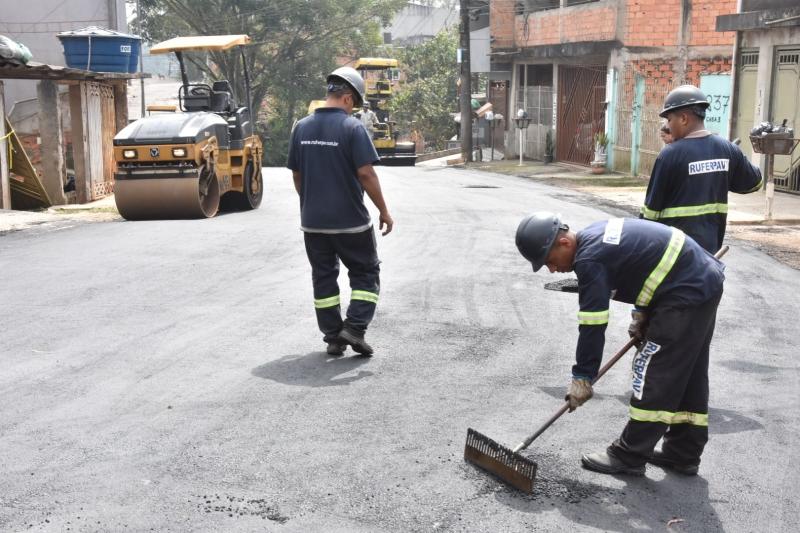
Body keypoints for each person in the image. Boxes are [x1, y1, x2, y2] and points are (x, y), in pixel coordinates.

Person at [516, 212, 725, 476]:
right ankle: (683, 451)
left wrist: (582, 377)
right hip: (700, 281)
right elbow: (646, 264)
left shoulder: (589, 260)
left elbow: (593, 324)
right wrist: (642, 313)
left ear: (564, 243)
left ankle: (630, 454)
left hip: (686, 291)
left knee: (654, 372)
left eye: (549, 261)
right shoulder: (595, 234)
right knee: (688, 372)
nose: (552, 270)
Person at [287, 66, 394, 357]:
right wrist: (384, 210)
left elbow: (297, 175)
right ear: (347, 98)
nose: (353, 109)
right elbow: (366, 174)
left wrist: (311, 202)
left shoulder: (301, 128)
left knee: (323, 277)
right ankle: (355, 328)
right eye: (354, 104)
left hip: (313, 223)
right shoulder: (352, 128)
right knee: (365, 273)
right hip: (350, 223)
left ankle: (333, 336)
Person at [641, 84, 762, 253]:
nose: (668, 126)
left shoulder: (669, 155)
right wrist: (725, 170)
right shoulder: (728, 149)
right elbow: (754, 183)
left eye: (669, 119)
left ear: (684, 119)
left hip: (674, 255)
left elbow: (650, 214)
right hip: (710, 254)